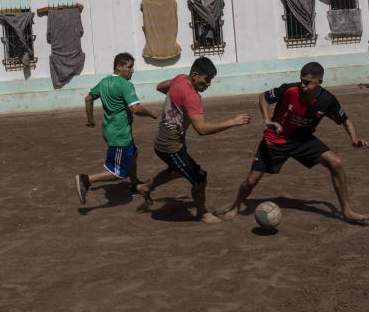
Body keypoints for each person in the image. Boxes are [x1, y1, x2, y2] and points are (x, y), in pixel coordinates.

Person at [221, 62, 369, 224]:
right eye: (301, 80)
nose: (303, 85)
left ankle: (347, 211)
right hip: (275, 140)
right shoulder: (289, 90)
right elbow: (263, 97)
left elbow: (346, 121)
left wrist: (354, 140)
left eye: (308, 82)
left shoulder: (327, 100)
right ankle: (236, 206)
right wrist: (267, 120)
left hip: (303, 141)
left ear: (319, 81)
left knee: (336, 163)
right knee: (251, 181)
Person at [135, 57, 250, 224]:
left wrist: (175, 100)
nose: (208, 84)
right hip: (170, 146)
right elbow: (202, 129)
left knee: (177, 170)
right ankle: (202, 213)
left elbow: (160, 86)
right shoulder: (191, 96)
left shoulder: (180, 78)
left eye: (210, 81)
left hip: (165, 140)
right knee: (199, 178)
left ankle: (146, 187)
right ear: (194, 75)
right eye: (206, 80)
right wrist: (233, 122)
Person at [76, 52, 159, 204]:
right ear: (119, 67)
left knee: (134, 153)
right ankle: (87, 180)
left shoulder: (104, 82)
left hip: (109, 130)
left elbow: (88, 98)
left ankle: (134, 183)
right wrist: (151, 113)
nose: (132, 71)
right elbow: (136, 109)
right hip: (120, 134)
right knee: (120, 173)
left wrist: (90, 120)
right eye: (130, 67)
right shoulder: (125, 84)